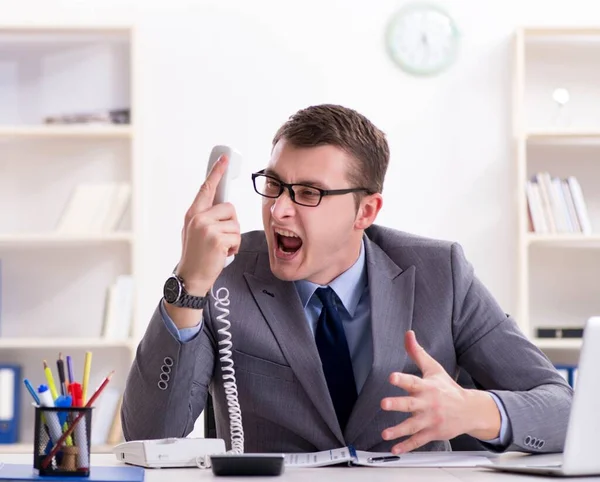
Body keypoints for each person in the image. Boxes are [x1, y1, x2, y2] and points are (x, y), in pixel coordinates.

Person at [122, 104, 572, 454]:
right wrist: (189, 285)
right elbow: (148, 434)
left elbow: (565, 410)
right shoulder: (222, 274)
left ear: (366, 211)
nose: (278, 209)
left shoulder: (442, 273)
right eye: (274, 185)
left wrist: (474, 411)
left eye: (307, 193)